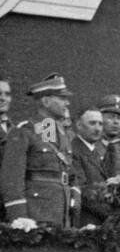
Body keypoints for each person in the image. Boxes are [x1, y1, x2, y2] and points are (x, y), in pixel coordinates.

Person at [0, 74, 78, 226]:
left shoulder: (59, 134)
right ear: (46, 101)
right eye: (61, 98)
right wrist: (19, 219)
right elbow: (12, 180)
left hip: (60, 214)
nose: (67, 103)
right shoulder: (24, 131)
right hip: (35, 216)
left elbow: (70, 175)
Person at [96, 94, 120, 177]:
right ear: (100, 118)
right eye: (111, 117)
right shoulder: (91, 145)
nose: (116, 122)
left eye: (119, 118)